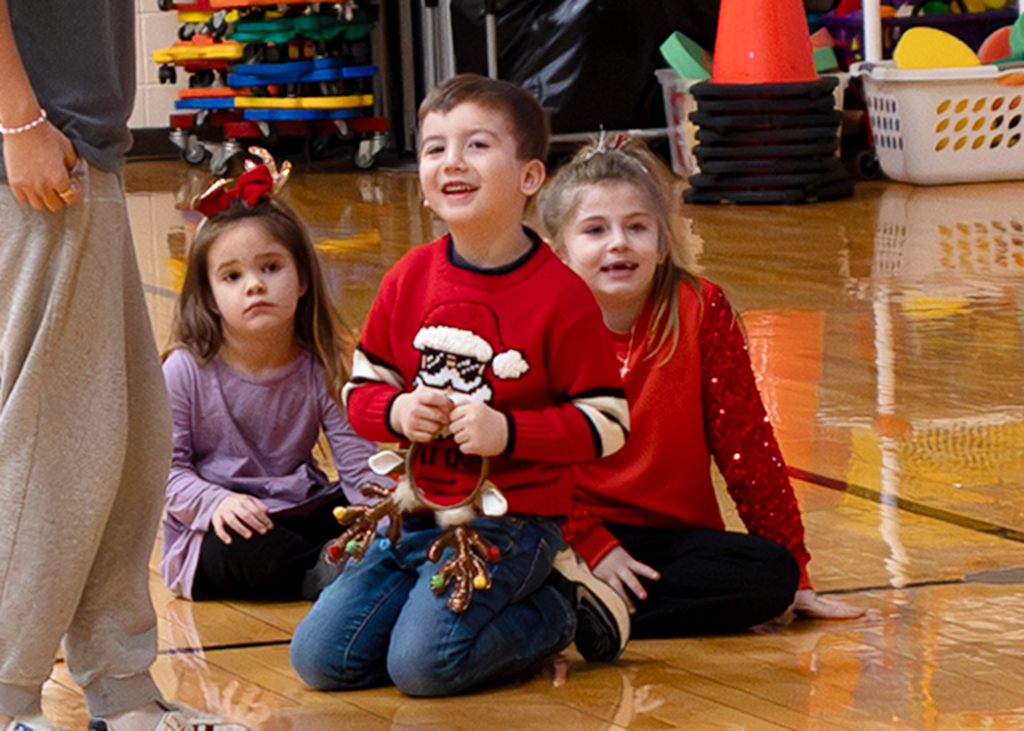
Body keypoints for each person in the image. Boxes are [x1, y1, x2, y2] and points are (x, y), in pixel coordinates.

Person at [289, 73, 632, 697]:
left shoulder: (563, 296)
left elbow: (608, 423)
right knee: (318, 661)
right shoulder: (409, 277)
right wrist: (397, 412)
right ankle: (430, 611)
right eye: (434, 147)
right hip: (412, 514)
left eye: (476, 145)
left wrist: (509, 431)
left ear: (530, 178)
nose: (451, 161)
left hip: (513, 524)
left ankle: (557, 608)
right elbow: (359, 393)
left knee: (423, 669)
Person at [0, 1, 247, 729]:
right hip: (37, 143)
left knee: (130, 437)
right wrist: (16, 120)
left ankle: (124, 691)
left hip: (80, 143)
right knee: (52, 449)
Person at [537, 134, 865, 637]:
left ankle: (586, 615)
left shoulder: (699, 309)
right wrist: (593, 544)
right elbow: (531, 462)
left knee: (770, 576)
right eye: (595, 230)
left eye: (637, 227)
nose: (618, 243)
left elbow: (747, 447)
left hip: (673, 541)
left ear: (663, 241)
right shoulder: (542, 321)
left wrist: (797, 571)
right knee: (522, 555)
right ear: (559, 250)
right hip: (570, 531)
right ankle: (585, 604)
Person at [160, 161, 386, 603]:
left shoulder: (321, 364)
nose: (254, 286)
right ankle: (330, 574)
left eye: (270, 267)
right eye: (232, 276)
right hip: (224, 524)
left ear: (302, 278)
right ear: (208, 296)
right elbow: (166, 475)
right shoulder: (183, 371)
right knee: (251, 554)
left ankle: (344, 565)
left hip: (300, 510)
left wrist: (385, 520)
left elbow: (359, 467)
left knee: (358, 519)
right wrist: (214, 503)